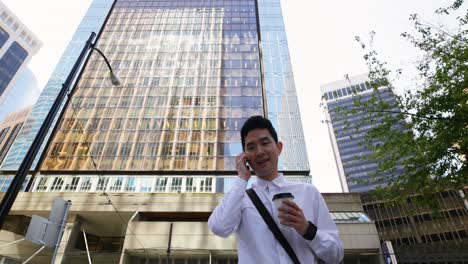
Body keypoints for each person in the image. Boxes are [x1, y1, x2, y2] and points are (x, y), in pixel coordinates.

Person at [208, 115, 344, 263]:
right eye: (251, 147)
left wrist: (306, 229)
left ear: (279, 148)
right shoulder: (240, 199)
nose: (259, 152)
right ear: (245, 156)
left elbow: (335, 255)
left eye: (265, 143)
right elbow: (218, 227)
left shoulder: (308, 193)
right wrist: (242, 178)